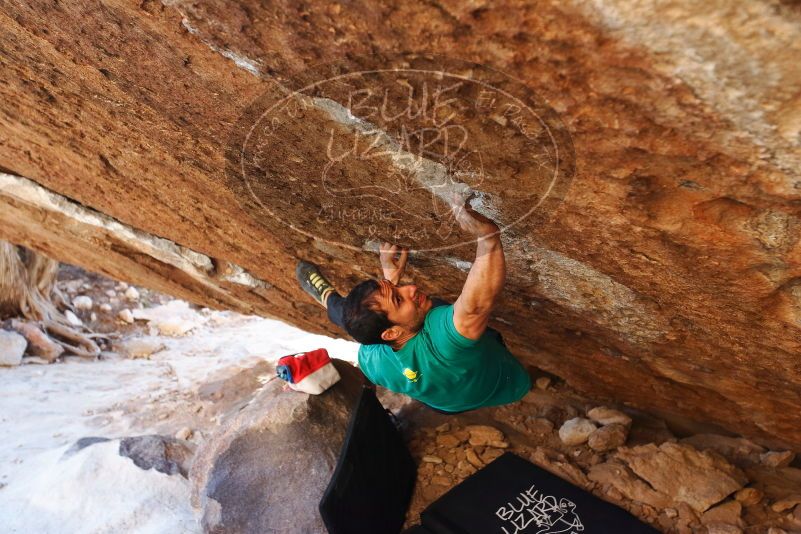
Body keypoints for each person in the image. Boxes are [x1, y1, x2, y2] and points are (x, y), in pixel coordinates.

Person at [296, 197, 531, 413]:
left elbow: (363, 328)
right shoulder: (441, 341)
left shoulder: (371, 361)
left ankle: (326, 296)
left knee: (351, 321)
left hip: (445, 405)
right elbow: (474, 307)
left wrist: (389, 281)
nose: (411, 288)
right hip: (506, 385)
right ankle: (338, 302)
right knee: (433, 308)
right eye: (399, 298)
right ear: (392, 333)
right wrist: (488, 239)